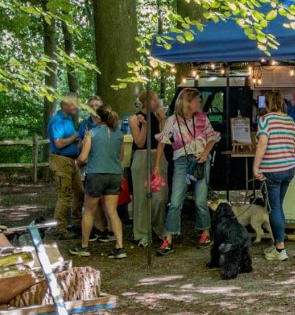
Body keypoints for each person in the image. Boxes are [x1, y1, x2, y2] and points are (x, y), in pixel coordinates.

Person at [156, 88, 221, 255]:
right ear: (188, 102)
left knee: (200, 200)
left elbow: (212, 137)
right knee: (175, 201)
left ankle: (205, 232)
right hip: (182, 162)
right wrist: (156, 165)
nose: (199, 102)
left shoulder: (202, 118)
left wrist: (206, 153)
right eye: (197, 100)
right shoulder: (172, 120)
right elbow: (162, 142)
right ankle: (168, 237)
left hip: (201, 160)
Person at [71, 105, 126, 258]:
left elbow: (82, 157)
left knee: (89, 211)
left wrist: (77, 165)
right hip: (115, 174)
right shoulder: (119, 134)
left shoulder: (92, 133)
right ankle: (119, 247)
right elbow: (121, 156)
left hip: (96, 174)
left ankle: (84, 246)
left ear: (98, 118)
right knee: (112, 212)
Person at [253, 90, 295, 261]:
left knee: (274, 208)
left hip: (271, 170)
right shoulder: (290, 120)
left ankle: (280, 249)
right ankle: (278, 243)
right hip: (289, 169)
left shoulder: (265, 120)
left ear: (268, 104)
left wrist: (255, 167)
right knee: (278, 206)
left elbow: (262, 144)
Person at [129, 90, 168, 247]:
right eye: (155, 100)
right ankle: (142, 232)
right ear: (146, 102)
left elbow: (164, 137)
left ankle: (158, 228)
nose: (157, 103)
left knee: (160, 196)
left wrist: (162, 119)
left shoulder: (159, 116)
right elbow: (139, 142)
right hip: (141, 156)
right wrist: (144, 125)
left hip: (158, 156)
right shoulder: (134, 118)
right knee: (141, 196)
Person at [48, 95, 85, 238]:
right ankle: (60, 229)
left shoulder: (68, 120)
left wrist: (80, 141)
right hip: (61, 161)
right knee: (65, 195)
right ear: (64, 105)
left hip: (72, 161)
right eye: (74, 104)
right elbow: (58, 144)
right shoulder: (57, 121)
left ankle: (76, 224)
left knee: (80, 192)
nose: (76, 107)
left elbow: (72, 143)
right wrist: (75, 136)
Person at [76, 96, 112, 242]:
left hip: (105, 163)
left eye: (97, 105)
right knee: (93, 200)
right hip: (89, 164)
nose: (94, 108)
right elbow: (78, 146)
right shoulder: (84, 124)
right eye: (91, 105)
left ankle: (110, 229)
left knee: (107, 200)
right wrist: (84, 142)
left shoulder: (110, 122)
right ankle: (99, 228)